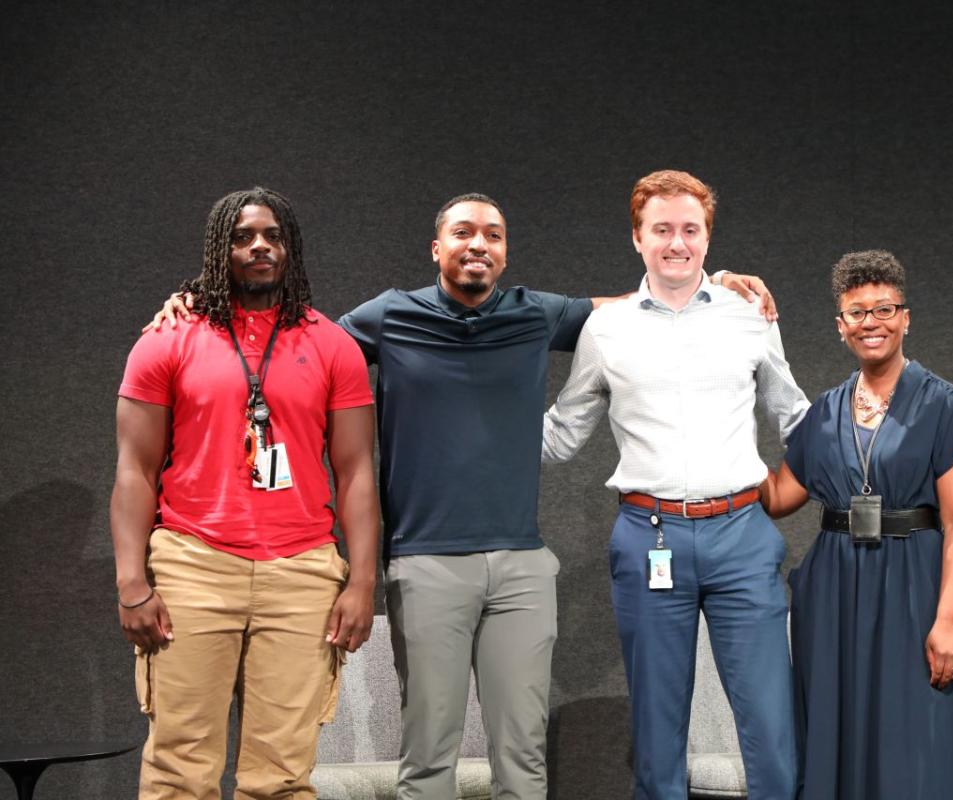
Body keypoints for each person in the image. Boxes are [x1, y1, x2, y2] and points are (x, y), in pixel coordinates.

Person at [148, 191, 775, 800]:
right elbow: (295, 342)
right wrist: (198, 302)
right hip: (425, 560)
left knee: (523, 757)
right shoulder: (389, 315)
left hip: (522, 563)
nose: (478, 244)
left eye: (492, 236)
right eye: (463, 233)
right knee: (427, 756)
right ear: (436, 248)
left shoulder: (538, 312)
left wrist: (715, 283)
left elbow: (642, 303)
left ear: (504, 253)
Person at [542, 170, 810, 799]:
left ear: (708, 240)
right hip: (649, 535)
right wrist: (476, 420)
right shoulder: (606, 331)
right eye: (661, 229)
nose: (677, 243)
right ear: (638, 238)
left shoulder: (748, 314)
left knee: (771, 725)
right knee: (658, 732)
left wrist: (853, 458)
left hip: (742, 534)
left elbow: (795, 416)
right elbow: (561, 436)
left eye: (690, 229)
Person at [112, 187, 379, 799]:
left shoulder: (332, 344)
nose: (259, 246)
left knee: (283, 776)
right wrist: (133, 582)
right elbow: (134, 470)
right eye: (241, 236)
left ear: (291, 249)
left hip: (303, 573)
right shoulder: (169, 338)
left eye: (272, 236)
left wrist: (361, 583)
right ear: (218, 250)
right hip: (192, 566)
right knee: (180, 769)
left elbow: (357, 471)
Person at [759, 250, 953, 799]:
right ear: (841, 325)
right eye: (857, 312)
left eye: (884, 308)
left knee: (914, 737)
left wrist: (948, 622)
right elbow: (778, 497)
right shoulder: (824, 411)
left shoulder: (942, 404)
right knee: (839, 731)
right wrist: (720, 443)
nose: (871, 322)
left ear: (906, 317)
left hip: (913, 588)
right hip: (835, 594)